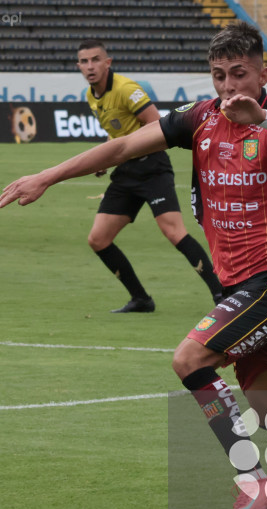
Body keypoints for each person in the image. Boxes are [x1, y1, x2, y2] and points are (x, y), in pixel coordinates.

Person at [0, 24, 267, 509]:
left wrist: (260, 117)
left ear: (264, 73)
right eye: (218, 75)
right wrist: (46, 176)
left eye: (239, 73)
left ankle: (255, 484)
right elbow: (120, 148)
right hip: (233, 284)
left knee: (189, 359)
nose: (227, 86)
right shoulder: (199, 119)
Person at [75, 39, 222, 311]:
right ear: (78, 66)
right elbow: (117, 131)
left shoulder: (126, 89)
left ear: (108, 63)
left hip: (151, 166)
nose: (89, 66)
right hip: (126, 171)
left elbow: (156, 124)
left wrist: (121, 150)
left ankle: (220, 295)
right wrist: (106, 156)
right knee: (98, 239)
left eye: (95, 60)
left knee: (173, 231)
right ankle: (141, 299)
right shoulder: (90, 95)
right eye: (84, 62)